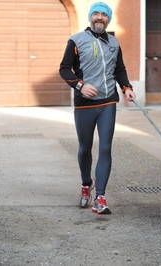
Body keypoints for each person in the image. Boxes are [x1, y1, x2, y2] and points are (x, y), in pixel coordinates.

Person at [59, 2, 136, 214]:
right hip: (84, 104)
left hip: (107, 102)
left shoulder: (114, 42)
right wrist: (80, 85)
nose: (99, 18)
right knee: (84, 148)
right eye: (96, 14)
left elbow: (119, 69)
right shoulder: (76, 40)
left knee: (105, 148)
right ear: (90, 18)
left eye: (104, 14)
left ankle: (100, 197)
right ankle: (86, 185)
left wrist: (126, 87)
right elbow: (65, 69)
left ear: (108, 19)